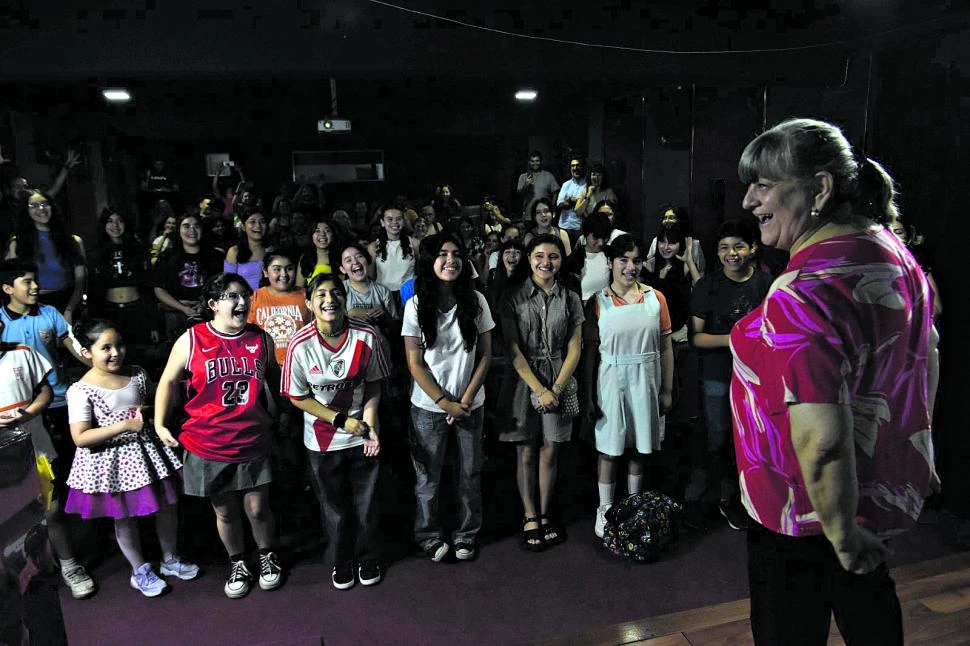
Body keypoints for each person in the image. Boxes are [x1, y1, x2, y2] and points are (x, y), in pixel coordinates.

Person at [732, 118, 939, 645]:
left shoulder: (802, 291)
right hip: (868, 494)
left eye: (764, 185)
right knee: (872, 619)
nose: (748, 201)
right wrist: (921, 449)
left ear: (819, 189)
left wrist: (843, 535)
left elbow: (820, 440)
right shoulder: (895, 255)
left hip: (804, 513)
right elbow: (927, 354)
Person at [154, 272, 284, 599]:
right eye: (232, 296)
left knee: (257, 508)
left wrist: (283, 418)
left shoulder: (261, 338)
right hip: (208, 442)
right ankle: (238, 561)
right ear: (213, 305)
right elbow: (168, 382)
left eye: (245, 295)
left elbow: (276, 382)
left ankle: (267, 555)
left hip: (253, 438)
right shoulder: (192, 339)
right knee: (224, 511)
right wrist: (159, 424)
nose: (241, 302)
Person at [64, 319, 197, 597]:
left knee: (167, 506)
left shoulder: (136, 373)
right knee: (123, 517)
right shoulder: (80, 390)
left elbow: (156, 397)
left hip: (148, 454)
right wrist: (124, 425)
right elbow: (80, 437)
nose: (116, 353)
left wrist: (148, 410)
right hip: (112, 464)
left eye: (119, 345)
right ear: (87, 352)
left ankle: (170, 558)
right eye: (106, 348)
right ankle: (140, 570)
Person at [282, 273, 388, 589]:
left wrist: (370, 423)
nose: (330, 300)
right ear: (309, 303)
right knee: (334, 508)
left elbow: (374, 382)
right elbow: (297, 396)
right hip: (322, 439)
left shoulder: (367, 335)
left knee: (367, 504)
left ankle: (367, 557)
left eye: (336, 293)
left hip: (362, 433)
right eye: (322, 295)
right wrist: (341, 422)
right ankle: (341, 560)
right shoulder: (300, 344)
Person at [0, 259, 95, 599]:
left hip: (53, 408)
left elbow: (76, 347)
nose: (35, 286)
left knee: (57, 492)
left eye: (35, 280)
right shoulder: (2, 321)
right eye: (27, 281)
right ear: (8, 288)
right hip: (12, 434)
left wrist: (103, 362)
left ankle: (76, 555)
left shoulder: (48, 315)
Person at [403, 233, 494, 563]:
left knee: (469, 473)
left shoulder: (477, 301)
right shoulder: (415, 305)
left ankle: (466, 534)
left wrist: (464, 401)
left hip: (471, 403)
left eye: (456, 254)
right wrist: (444, 403)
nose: (450, 260)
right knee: (428, 477)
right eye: (442, 254)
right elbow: (414, 362)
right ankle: (428, 535)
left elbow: (485, 355)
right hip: (428, 407)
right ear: (429, 262)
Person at [582, 235, 673, 538]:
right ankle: (605, 509)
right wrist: (589, 396)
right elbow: (591, 352)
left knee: (639, 446)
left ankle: (635, 505)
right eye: (623, 260)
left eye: (635, 260)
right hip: (611, 378)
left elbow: (665, 347)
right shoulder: (597, 302)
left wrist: (667, 389)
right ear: (609, 262)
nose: (630, 267)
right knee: (609, 449)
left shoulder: (655, 297)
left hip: (646, 377)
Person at [684, 218, 771, 531]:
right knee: (718, 438)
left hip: (757, 377)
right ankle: (722, 498)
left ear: (752, 248)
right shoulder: (707, 286)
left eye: (738, 246)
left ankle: (748, 498)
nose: (731, 253)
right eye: (724, 248)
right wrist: (738, 339)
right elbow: (696, 337)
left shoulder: (764, 283)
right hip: (718, 375)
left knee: (751, 440)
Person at [498, 234, 584, 551]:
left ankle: (546, 513)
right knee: (526, 450)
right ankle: (529, 514)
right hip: (523, 379)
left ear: (562, 260)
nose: (546, 262)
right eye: (539, 255)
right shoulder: (512, 296)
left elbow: (576, 346)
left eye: (553, 256)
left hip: (560, 374)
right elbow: (513, 350)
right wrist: (539, 390)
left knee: (552, 448)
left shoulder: (570, 296)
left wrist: (557, 387)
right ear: (529, 258)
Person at [6, 191, 86, 321]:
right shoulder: (18, 243)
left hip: (67, 304)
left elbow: (80, 282)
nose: (41, 208)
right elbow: (12, 283)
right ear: (26, 211)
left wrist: (69, 310)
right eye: (34, 205)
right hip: (32, 306)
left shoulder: (74, 241)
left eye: (45, 203)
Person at [87, 208, 158, 347]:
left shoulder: (138, 250)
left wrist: (153, 324)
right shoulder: (96, 253)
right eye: (110, 221)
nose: (115, 225)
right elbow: (94, 291)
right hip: (110, 312)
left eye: (120, 221)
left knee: (139, 352)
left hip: (136, 310)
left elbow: (147, 288)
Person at [152, 213, 221, 345]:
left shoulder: (215, 256)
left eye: (196, 226)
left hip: (208, 314)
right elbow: (158, 289)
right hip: (175, 315)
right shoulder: (167, 257)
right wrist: (183, 308)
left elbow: (220, 287)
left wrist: (204, 304)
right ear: (178, 230)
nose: (192, 230)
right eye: (186, 226)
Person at [247, 251, 311, 366]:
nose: (284, 274)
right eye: (277, 269)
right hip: (265, 366)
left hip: (300, 364)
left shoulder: (306, 296)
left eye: (289, 269)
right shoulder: (255, 298)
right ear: (266, 272)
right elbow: (247, 335)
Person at [339, 242, 400, 325]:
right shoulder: (339, 290)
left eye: (359, 256)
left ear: (367, 260)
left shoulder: (383, 291)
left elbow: (396, 328)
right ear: (343, 269)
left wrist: (385, 315)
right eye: (348, 260)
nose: (355, 262)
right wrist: (351, 314)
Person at [367, 205, 417, 301]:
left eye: (398, 219)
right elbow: (371, 277)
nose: (394, 222)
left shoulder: (414, 244)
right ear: (382, 222)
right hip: (383, 295)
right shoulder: (373, 247)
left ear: (403, 221)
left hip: (409, 295)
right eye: (389, 219)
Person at [563, 212, 613, 301]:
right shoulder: (574, 260)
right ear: (586, 234)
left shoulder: (612, 255)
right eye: (596, 237)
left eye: (605, 237)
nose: (601, 242)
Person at [646, 205, 705, 278]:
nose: (667, 221)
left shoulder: (694, 243)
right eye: (665, 218)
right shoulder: (656, 240)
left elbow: (701, 270)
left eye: (671, 218)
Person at [224, 210, 269, 290]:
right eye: (252, 222)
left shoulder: (271, 250)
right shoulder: (234, 252)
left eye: (262, 222)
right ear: (243, 227)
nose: (258, 226)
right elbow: (228, 283)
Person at [516, 151, 560, 220]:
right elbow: (519, 195)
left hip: (544, 214)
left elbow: (555, 192)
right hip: (529, 215)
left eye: (537, 161)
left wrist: (551, 207)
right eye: (532, 161)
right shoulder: (523, 176)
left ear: (541, 162)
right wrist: (526, 185)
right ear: (529, 162)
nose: (535, 163)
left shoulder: (548, 175)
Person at [555, 155, 588, 246]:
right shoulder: (566, 185)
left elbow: (585, 208)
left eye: (578, 165)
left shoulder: (587, 185)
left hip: (579, 228)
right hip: (563, 226)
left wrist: (570, 201)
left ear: (582, 167)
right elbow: (559, 204)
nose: (575, 168)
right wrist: (577, 202)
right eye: (572, 166)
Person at [296, 218, 339, 287]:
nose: (322, 234)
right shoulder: (306, 257)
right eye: (317, 231)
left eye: (327, 230)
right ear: (311, 235)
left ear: (333, 234)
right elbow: (299, 288)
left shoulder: (340, 256)